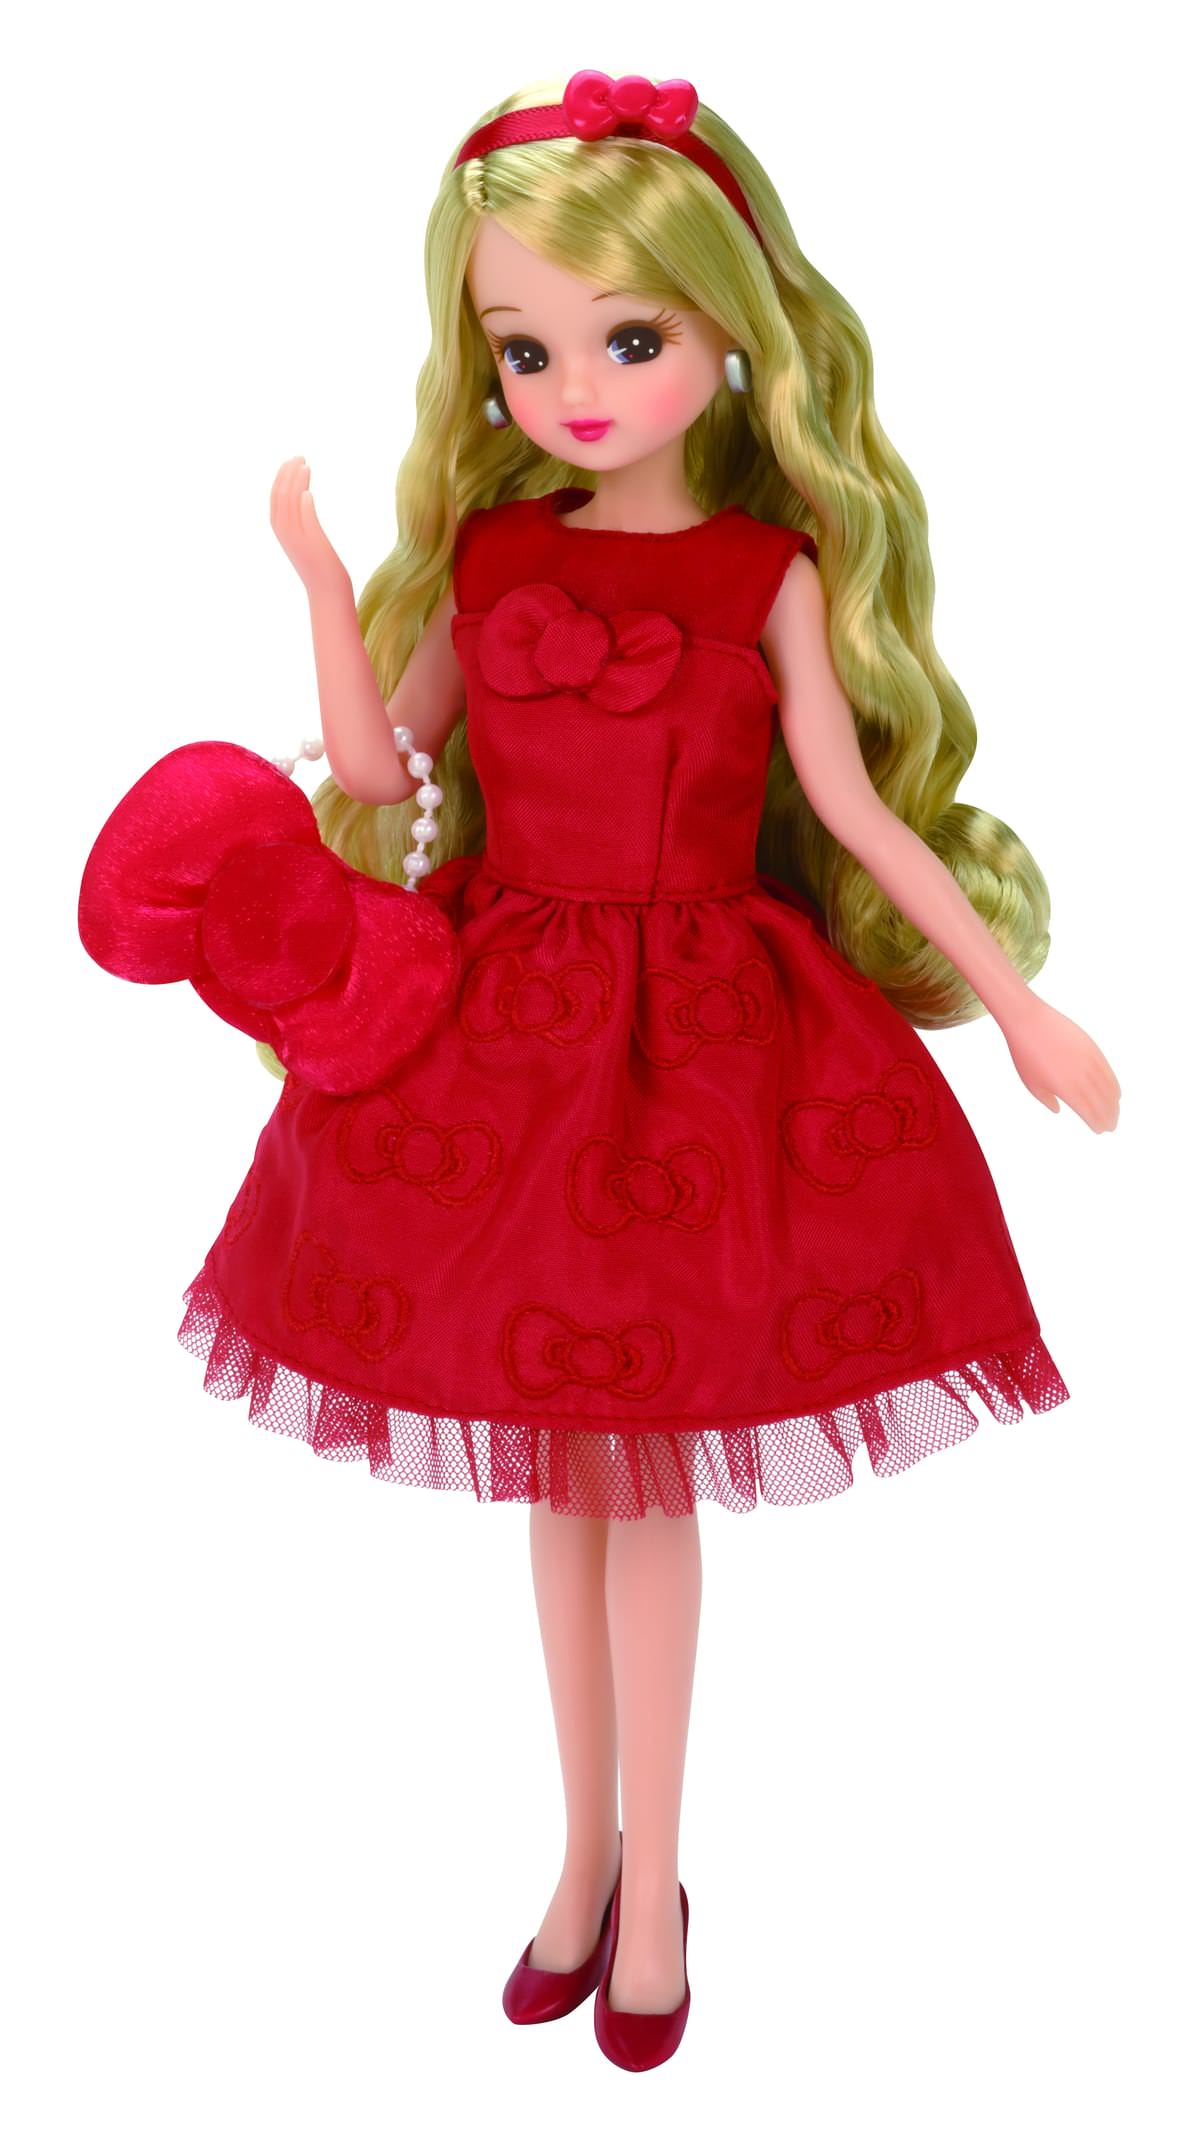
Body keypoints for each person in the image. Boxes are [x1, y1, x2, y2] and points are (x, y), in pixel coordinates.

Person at [77, 70, 1121, 2072]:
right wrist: (321, 584)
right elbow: (377, 766)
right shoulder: (487, 555)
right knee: (554, 1488)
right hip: (501, 1039)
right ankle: (579, 1858)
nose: (573, 388)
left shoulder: (766, 574)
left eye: (627, 341)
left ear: (732, 335)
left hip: (705, 1052)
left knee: (647, 1488)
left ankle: (658, 1887)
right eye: (525, 347)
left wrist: (1017, 1005)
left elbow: (857, 814)